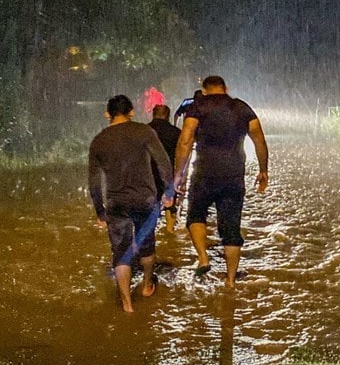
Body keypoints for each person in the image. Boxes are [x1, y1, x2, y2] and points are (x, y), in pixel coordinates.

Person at [173, 75, 269, 287]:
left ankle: (203, 258)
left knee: (195, 215)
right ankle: (231, 280)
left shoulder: (197, 108)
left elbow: (185, 140)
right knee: (231, 228)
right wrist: (263, 170)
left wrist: (178, 174)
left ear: (204, 90)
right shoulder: (242, 108)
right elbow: (259, 140)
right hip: (234, 176)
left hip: (204, 173)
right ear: (226, 88)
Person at [88, 95, 174, 312]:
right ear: (132, 112)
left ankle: (127, 305)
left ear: (107, 114)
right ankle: (146, 285)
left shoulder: (99, 141)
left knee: (121, 253)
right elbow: (163, 162)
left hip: (116, 203)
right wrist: (169, 191)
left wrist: (100, 212)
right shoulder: (144, 132)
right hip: (145, 199)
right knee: (147, 247)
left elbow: (94, 182)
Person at [148, 104, 182, 230]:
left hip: (149, 172)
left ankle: (150, 231)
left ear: (153, 114)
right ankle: (169, 229)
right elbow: (181, 153)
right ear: (168, 116)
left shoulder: (144, 131)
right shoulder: (176, 132)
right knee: (170, 202)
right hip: (169, 173)